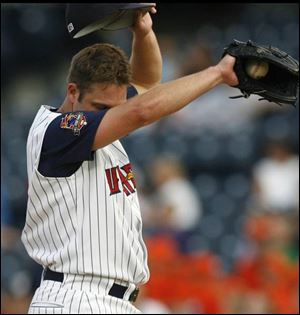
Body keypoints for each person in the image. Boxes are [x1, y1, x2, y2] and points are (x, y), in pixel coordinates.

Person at [21, 5, 238, 315]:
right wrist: (217, 74)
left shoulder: (100, 121)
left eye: (115, 107)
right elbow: (142, 110)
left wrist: (143, 31)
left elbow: (149, 84)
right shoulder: (57, 133)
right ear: (72, 91)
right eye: (100, 106)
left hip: (112, 301)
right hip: (75, 296)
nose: (111, 115)